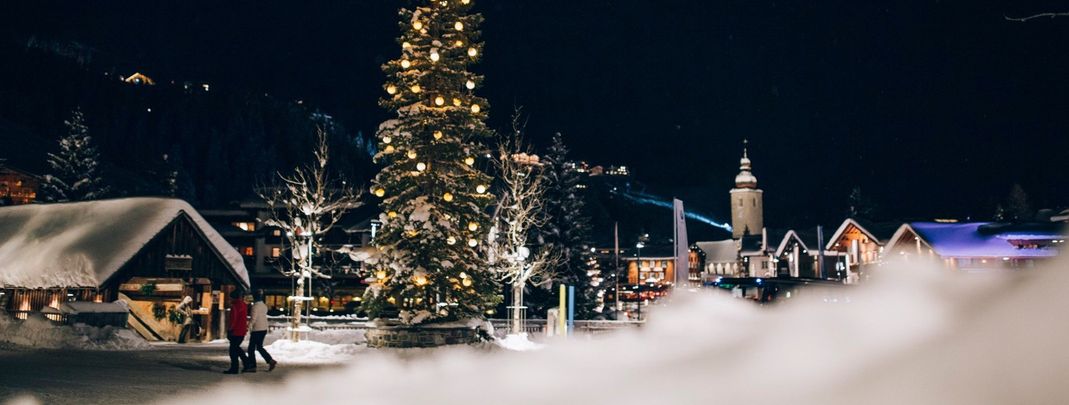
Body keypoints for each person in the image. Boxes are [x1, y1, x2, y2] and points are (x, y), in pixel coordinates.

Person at [246, 290, 277, 372]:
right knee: (259, 347)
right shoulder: (263, 305)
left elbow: (253, 318)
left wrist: (249, 326)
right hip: (263, 328)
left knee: (251, 348)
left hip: (257, 329)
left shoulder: (255, 306)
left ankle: (252, 366)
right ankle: (270, 360)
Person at [223, 289, 251, 374]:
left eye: (230, 298)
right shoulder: (243, 305)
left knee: (233, 351)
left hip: (235, 331)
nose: (230, 299)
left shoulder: (235, 306)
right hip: (241, 330)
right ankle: (247, 363)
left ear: (233, 298)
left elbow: (233, 319)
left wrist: (230, 329)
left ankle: (235, 368)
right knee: (236, 348)